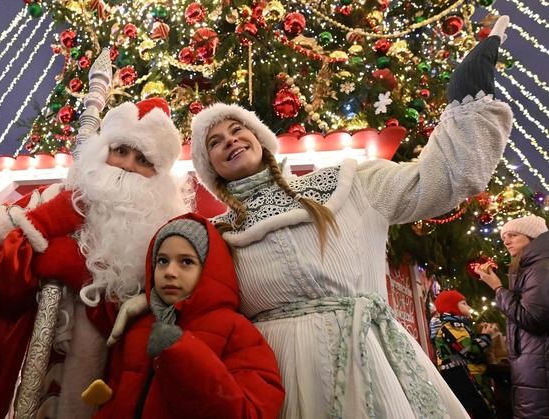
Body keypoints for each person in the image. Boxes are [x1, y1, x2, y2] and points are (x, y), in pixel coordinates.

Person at [189, 17, 512, 419]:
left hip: (373, 361)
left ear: (259, 137)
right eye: (215, 143)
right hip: (279, 375)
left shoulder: (350, 181)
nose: (230, 141)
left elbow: (439, 180)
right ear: (210, 168)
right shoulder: (214, 236)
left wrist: (469, 102)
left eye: (237, 130)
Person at [0, 98, 189, 419]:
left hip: (120, 376)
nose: (126, 165)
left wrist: (81, 271)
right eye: (121, 151)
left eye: (143, 160)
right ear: (102, 150)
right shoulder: (54, 199)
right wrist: (41, 262)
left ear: (159, 177)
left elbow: (167, 307)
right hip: (41, 362)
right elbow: (3, 283)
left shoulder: (166, 231)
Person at [84, 213, 285, 418]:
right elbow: (116, 400)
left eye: (186, 262)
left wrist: (180, 351)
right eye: (162, 260)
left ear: (208, 268)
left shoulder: (236, 330)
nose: (170, 271)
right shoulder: (138, 328)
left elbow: (252, 412)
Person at [475, 214, 549, 418]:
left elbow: (533, 318)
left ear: (532, 236)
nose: (506, 241)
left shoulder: (540, 268)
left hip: (540, 372)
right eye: (504, 237)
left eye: (513, 235)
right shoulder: (530, 267)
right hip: (535, 369)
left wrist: (498, 288)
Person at [433, 290, 497, 418]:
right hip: (462, 377)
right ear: (451, 307)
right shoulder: (451, 326)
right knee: (481, 409)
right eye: (464, 303)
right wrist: (485, 337)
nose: (469, 307)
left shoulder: (460, 326)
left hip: (466, 375)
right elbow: (469, 350)